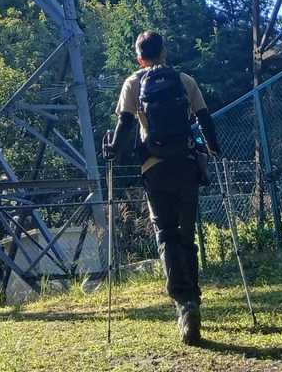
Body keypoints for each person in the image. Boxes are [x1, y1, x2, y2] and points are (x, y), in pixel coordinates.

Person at [102, 29, 221, 347]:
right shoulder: (184, 80)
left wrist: (112, 150)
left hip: (154, 169)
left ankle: (183, 303)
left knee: (166, 235)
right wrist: (213, 148)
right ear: (164, 52)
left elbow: (126, 125)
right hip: (186, 165)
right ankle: (193, 299)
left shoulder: (133, 83)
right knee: (186, 236)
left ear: (139, 57)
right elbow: (204, 118)